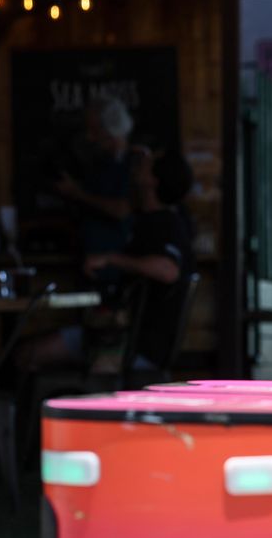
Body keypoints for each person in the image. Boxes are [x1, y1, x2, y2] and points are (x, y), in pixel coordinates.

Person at [19, 145, 194, 373]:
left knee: (26, 354)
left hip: (130, 346)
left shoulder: (166, 224)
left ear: (153, 180)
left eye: (147, 164)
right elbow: (127, 205)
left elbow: (168, 270)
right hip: (122, 337)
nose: (139, 164)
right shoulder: (148, 217)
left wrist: (111, 258)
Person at [56, 96, 135, 259]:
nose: (89, 137)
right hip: (92, 261)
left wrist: (78, 193)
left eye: (95, 130)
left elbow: (123, 209)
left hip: (118, 264)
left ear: (112, 129)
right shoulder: (100, 163)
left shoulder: (134, 163)